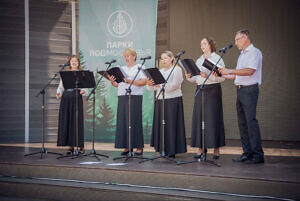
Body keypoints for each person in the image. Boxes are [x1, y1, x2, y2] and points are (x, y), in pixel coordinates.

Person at [219, 29, 264, 164]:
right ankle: (247, 153)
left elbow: (250, 71)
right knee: (242, 123)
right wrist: (222, 74)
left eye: (237, 39)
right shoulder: (242, 55)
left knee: (250, 122)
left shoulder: (254, 52)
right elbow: (236, 75)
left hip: (250, 90)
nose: (235, 42)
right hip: (240, 90)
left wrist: (230, 70)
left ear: (245, 38)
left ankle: (257, 155)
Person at [185, 37, 226, 160]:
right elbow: (195, 78)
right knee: (199, 118)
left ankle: (216, 148)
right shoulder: (198, 60)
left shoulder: (217, 58)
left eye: (204, 43)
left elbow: (222, 77)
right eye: (200, 44)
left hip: (213, 90)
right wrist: (189, 76)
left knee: (213, 119)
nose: (201, 45)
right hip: (200, 89)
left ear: (210, 45)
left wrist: (208, 75)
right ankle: (200, 148)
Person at [146, 51, 187, 158]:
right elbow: (153, 88)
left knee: (171, 125)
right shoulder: (160, 71)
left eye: (165, 58)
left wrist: (160, 84)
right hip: (160, 100)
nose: (163, 60)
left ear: (172, 58)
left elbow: (174, 85)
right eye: (162, 59)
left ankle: (172, 150)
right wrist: (150, 84)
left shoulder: (177, 69)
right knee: (161, 125)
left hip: (173, 100)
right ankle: (162, 148)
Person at [108, 48, 146, 156]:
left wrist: (130, 81)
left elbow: (143, 82)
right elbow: (117, 84)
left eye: (128, 56)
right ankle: (126, 146)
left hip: (135, 96)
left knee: (134, 120)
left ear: (134, 56)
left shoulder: (140, 67)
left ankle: (139, 146)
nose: (126, 58)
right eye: (125, 56)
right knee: (123, 121)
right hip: (122, 96)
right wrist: (112, 82)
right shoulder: (121, 68)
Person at [56, 55, 87, 155]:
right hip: (66, 97)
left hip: (76, 96)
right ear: (69, 63)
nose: (74, 63)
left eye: (76, 61)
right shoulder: (65, 74)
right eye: (72, 61)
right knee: (67, 121)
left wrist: (83, 91)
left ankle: (80, 145)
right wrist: (59, 93)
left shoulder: (81, 73)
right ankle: (70, 147)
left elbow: (85, 86)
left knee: (76, 121)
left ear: (78, 63)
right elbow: (61, 86)